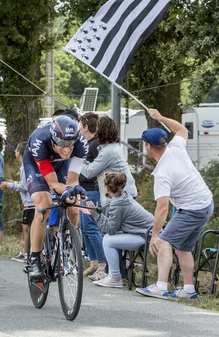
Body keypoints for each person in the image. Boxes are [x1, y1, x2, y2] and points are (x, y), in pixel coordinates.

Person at [136, 109, 214, 300]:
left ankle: (161, 286)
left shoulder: (162, 173)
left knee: (164, 242)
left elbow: (162, 207)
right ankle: (188, 289)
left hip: (192, 208)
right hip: (205, 202)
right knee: (183, 248)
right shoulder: (176, 147)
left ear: (148, 146)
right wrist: (160, 117)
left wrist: (155, 235)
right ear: (163, 142)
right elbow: (181, 130)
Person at [23, 114, 89, 281]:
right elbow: (52, 184)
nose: (67, 149)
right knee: (44, 205)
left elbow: (73, 180)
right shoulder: (39, 140)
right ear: (53, 139)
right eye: (62, 144)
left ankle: (65, 246)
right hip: (37, 165)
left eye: (70, 144)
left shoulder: (81, 144)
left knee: (73, 208)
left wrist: (75, 189)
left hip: (60, 165)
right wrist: (64, 189)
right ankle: (35, 259)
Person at [83, 172, 154, 288]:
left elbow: (111, 230)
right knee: (109, 239)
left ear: (107, 187)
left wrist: (95, 215)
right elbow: (115, 226)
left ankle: (115, 277)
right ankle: (113, 275)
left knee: (107, 240)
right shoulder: (123, 196)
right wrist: (97, 212)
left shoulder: (118, 203)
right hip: (146, 232)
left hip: (144, 236)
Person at [80, 116, 137, 207]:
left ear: (101, 131)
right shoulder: (111, 148)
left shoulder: (108, 152)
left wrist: (76, 159)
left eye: (97, 128)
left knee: (111, 221)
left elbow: (89, 172)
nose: (95, 131)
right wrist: (82, 160)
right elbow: (92, 167)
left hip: (120, 196)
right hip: (120, 194)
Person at [77, 113, 106, 279]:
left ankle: (102, 265)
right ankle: (93, 262)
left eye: (80, 126)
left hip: (92, 190)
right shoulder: (86, 144)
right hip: (83, 190)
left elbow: (98, 168)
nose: (79, 129)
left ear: (86, 127)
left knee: (91, 227)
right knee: (84, 228)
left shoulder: (95, 145)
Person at [0, 142, 34, 263]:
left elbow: (25, 186)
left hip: (31, 203)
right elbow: (23, 184)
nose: (14, 153)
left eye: (15, 151)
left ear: (19, 153)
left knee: (27, 228)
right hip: (30, 202)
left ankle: (27, 254)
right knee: (28, 228)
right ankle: (28, 253)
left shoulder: (25, 167)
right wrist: (14, 183)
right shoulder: (26, 166)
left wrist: (8, 185)